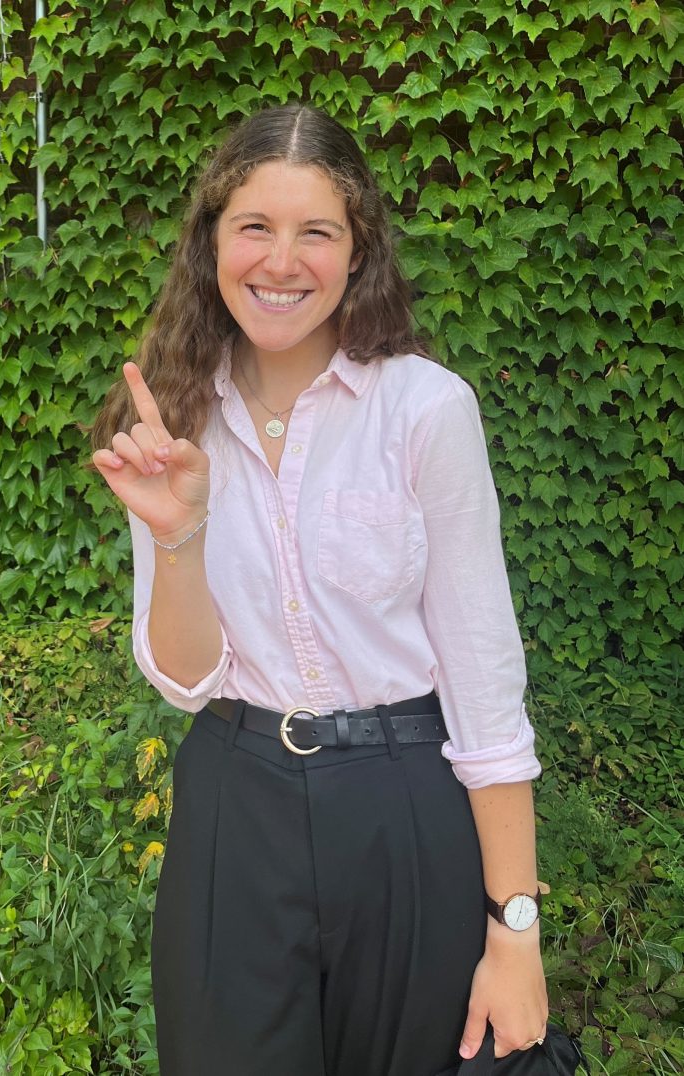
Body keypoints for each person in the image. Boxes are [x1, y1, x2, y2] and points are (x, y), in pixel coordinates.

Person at [91, 104, 548, 1076]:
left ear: (357, 250)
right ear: (211, 241)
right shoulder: (171, 418)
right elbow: (182, 680)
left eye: (316, 232)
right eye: (254, 226)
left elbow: (483, 684)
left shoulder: (426, 410)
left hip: (403, 801)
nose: (280, 260)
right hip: (234, 797)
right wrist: (179, 536)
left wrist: (513, 927)